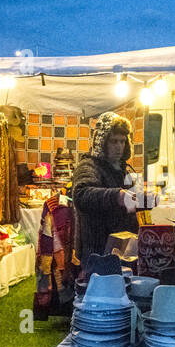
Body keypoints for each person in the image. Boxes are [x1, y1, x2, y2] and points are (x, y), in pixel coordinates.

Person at [71, 112, 140, 264]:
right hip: (97, 251)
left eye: (122, 141)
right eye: (114, 141)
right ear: (101, 142)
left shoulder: (121, 170)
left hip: (122, 249)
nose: (119, 147)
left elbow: (128, 202)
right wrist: (118, 196)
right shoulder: (88, 166)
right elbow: (81, 194)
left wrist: (143, 200)